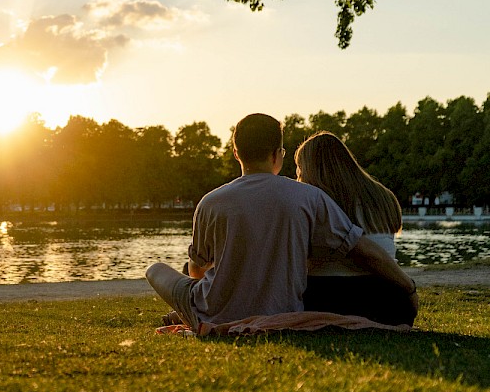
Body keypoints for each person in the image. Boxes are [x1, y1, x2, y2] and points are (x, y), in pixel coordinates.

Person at [146, 113, 417, 332]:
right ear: (278, 154)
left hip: (212, 307)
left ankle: (190, 310)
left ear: (236, 153)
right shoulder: (310, 197)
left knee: (156, 269)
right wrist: (408, 287)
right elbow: (361, 248)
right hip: (284, 308)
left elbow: (196, 270)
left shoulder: (210, 202)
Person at [295, 131, 414, 325]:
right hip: (391, 300)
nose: (298, 176)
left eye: (300, 169)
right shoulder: (384, 196)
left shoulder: (317, 203)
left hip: (332, 299)